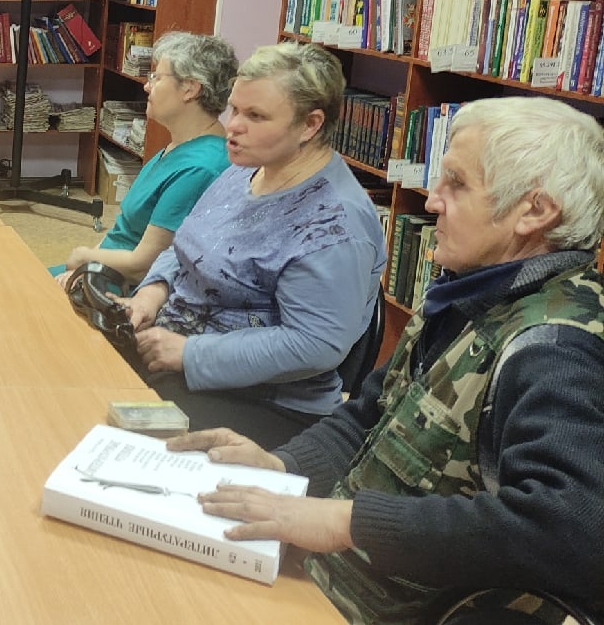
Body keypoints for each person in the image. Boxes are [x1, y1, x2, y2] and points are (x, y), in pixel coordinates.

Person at [171, 97, 604, 625]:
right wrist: (284, 467)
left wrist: (346, 523)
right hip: (332, 577)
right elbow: (368, 416)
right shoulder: (471, 294)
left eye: (456, 184)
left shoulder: (556, 348)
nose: (433, 200)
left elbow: (573, 529)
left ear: (534, 212)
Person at [121, 42, 386, 448]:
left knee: (103, 430)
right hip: (174, 351)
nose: (233, 126)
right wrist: (152, 292)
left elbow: (315, 345)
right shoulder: (247, 168)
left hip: (265, 404)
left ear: (310, 124)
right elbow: (188, 247)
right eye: (235, 109)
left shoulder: (335, 225)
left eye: (255, 116)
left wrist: (189, 354)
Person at [51, 32, 237, 284]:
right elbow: (124, 232)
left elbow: (143, 266)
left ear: (190, 89)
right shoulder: (181, 145)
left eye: (156, 78)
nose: (147, 86)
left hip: (124, 285)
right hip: (101, 268)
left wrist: (83, 257)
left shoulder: (200, 167)